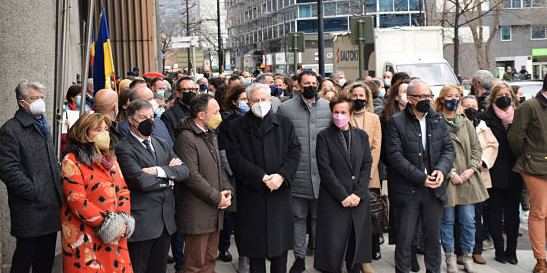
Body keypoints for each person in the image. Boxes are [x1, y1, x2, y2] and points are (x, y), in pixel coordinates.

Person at [225, 83, 301, 273]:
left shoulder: (284, 124)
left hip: (279, 194)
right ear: (249, 103)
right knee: (255, 250)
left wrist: (282, 176)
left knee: (280, 251)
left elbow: (294, 152)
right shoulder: (235, 127)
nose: (260, 104)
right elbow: (235, 158)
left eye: (263, 100)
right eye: (255, 101)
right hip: (252, 194)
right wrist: (262, 177)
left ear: (270, 100)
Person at [385, 79, 455, 273]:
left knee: (433, 240)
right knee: (405, 240)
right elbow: (394, 156)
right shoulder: (396, 122)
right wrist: (421, 177)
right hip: (408, 190)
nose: (426, 100)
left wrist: (441, 170)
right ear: (409, 99)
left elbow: (449, 149)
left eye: (428, 96)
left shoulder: (438, 120)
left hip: (434, 190)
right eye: (421, 97)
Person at [115, 99, 189, 273]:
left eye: (151, 117)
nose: (149, 121)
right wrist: (170, 177)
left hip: (165, 221)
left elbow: (184, 171)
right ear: (131, 120)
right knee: (139, 267)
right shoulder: (123, 148)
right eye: (143, 117)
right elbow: (140, 180)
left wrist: (157, 171)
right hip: (143, 224)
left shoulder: (161, 143)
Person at [0, 80, 63, 273]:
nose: (40, 102)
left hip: (50, 206)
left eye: (42, 98)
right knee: (24, 258)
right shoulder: (10, 129)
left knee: (45, 261)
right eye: (34, 98)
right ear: (22, 102)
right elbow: (8, 169)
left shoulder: (43, 125)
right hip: (30, 207)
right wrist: (34, 191)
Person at [60, 113, 135, 272]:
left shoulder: (111, 158)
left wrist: (121, 221)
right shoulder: (71, 160)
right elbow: (78, 202)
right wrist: (110, 225)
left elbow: (123, 190)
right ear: (84, 133)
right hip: (86, 235)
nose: (104, 133)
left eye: (106, 129)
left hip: (115, 234)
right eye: (98, 129)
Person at [277, 71, 332, 273]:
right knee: (298, 218)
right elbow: (280, 141)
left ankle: (321, 255)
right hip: (297, 174)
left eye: (313, 83)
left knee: (320, 218)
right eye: (306, 83)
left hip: (322, 174)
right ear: (297, 85)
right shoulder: (285, 109)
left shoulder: (328, 107)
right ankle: (299, 258)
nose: (310, 86)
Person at [314, 93, 373, 273]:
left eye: (343, 112)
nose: (339, 116)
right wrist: (343, 195)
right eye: (336, 112)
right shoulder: (324, 136)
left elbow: (366, 164)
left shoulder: (361, 135)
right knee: (334, 246)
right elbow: (325, 169)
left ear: (350, 113)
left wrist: (358, 193)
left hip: (357, 199)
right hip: (334, 199)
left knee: (356, 245)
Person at [174, 94, 232, 273]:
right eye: (215, 112)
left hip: (214, 209)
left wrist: (227, 191)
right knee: (195, 264)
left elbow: (219, 166)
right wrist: (217, 197)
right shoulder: (187, 138)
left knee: (209, 260)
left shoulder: (209, 134)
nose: (218, 116)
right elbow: (191, 175)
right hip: (197, 211)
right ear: (201, 115)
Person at [434, 85, 489, 273]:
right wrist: (450, 172)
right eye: (449, 96)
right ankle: (449, 257)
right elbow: (433, 153)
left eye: (456, 96)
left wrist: (472, 169)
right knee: (447, 221)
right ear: (442, 99)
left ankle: (467, 256)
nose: (453, 99)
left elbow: (476, 148)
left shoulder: (465, 121)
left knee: (468, 220)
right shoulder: (435, 121)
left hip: (467, 178)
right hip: (447, 178)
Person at [478, 81, 523, 265]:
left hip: (515, 171)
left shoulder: (519, 116)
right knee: (495, 212)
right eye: (499, 95)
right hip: (494, 171)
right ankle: (499, 249)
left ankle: (511, 250)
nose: (504, 97)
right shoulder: (486, 118)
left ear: (512, 98)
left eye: (507, 94)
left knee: (513, 213)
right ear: (493, 98)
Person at [508, 74, 547, 273]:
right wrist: (529, 157)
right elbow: (515, 138)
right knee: (539, 213)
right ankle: (541, 260)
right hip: (535, 167)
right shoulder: (529, 106)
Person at [347, 82, 382, 273]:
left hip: (370, 176)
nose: (358, 99)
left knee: (367, 221)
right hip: (348, 175)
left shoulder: (374, 118)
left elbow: (376, 147)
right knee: (351, 222)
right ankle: (351, 258)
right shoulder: (344, 116)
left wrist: (367, 172)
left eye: (362, 96)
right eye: (355, 95)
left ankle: (364, 260)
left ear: (367, 98)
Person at [217, 84, 249, 269]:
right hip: (235, 175)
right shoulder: (228, 122)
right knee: (233, 217)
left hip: (253, 176)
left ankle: (248, 255)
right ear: (235, 101)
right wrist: (233, 172)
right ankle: (230, 250)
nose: (247, 103)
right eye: (243, 99)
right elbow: (223, 150)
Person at [161, 76, 196, 141]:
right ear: (178, 93)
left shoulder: (200, 110)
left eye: (193, 89)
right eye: (186, 89)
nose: (191, 92)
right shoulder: (168, 115)